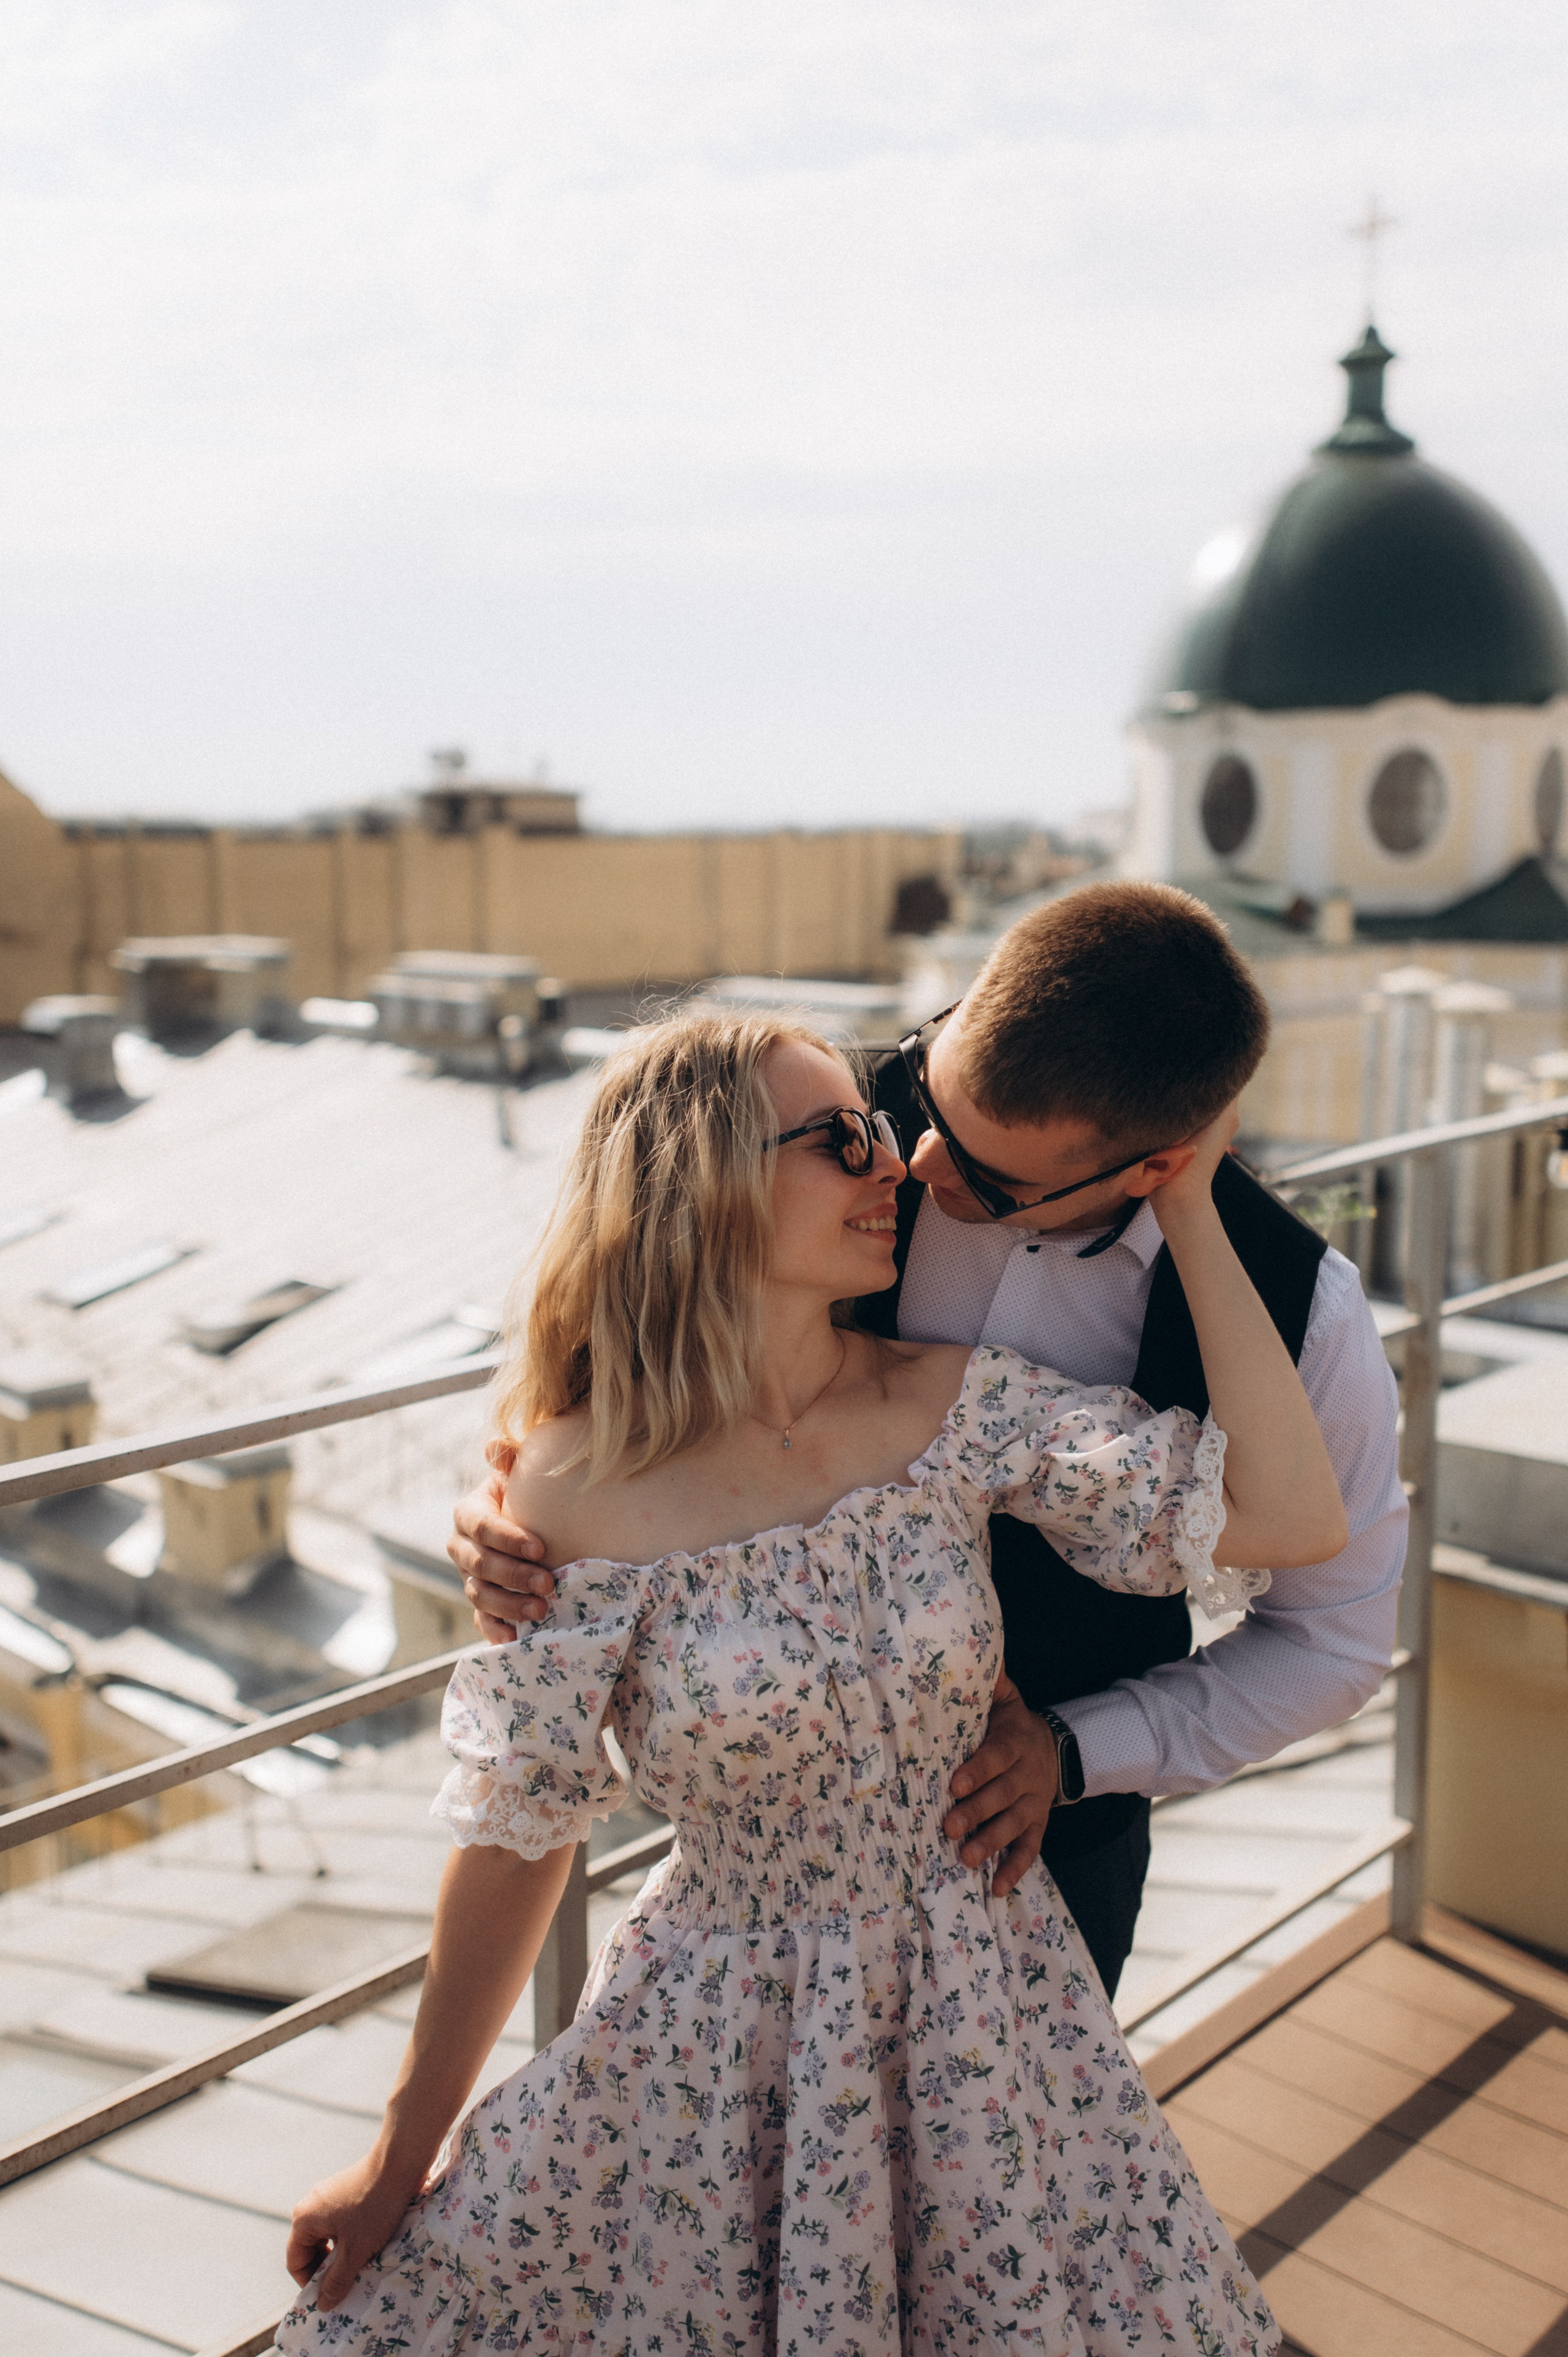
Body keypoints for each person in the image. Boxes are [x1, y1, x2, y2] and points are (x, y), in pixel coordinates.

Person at [281, 1008, 1346, 2353]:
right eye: (841, 1138)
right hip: (720, 2052)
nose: (892, 1162)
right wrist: (398, 2155)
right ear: (701, 1174)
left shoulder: (955, 1406)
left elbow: (1291, 1517)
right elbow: (517, 1830)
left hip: (987, 2021)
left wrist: (1186, 1193)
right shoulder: (569, 1484)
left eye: (879, 1130)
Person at [450, 882, 1406, 1997]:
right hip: (753, 1907)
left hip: (1040, 1861)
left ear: (1155, 1166)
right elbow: (640, 1316)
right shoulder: (820, 1126)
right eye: (923, 1096)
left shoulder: (1301, 1309)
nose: (916, 1167)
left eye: (993, 1179)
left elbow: (1332, 1643)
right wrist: (516, 1514)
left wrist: (1078, 1746)